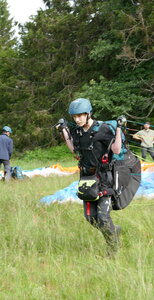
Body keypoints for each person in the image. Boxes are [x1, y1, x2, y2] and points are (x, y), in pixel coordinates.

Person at [56, 98, 126, 255]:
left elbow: (116, 150)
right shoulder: (78, 131)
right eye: (74, 117)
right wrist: (64, 130)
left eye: (80, 116)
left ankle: (112, 250)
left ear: (88, 114)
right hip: (87, 180)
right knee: (90, 218)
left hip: (104, 179)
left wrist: (119, 129)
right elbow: (74, 148)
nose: (77, 119)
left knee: (102, 217)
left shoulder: (103, 129)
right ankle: (115, 231)